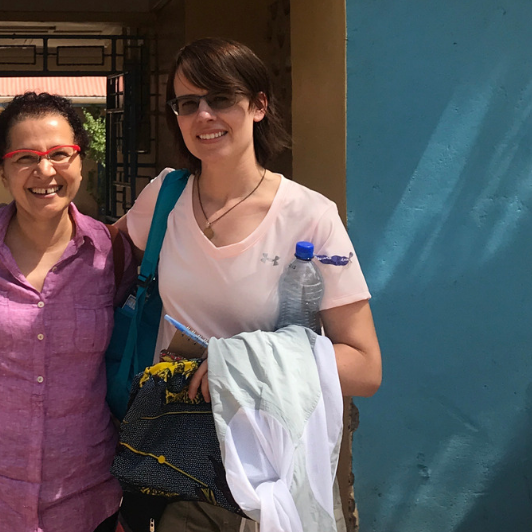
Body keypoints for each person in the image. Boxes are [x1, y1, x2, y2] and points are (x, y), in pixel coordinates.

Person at [115, 38, 382, 532]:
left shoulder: (309, 217)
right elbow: (87, 254)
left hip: (272, 473)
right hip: (175, 461)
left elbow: (366, 366)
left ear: (259, 105)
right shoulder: (164, 198)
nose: (203, 116)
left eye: (220, 99)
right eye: (187, 103)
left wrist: (239, 362)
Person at [0, 92, 133, 532]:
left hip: (85, 499)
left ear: (81, 161)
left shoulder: (110, 252)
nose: (45, 171)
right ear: (1, 169)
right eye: (24, 158)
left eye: (60, 154)